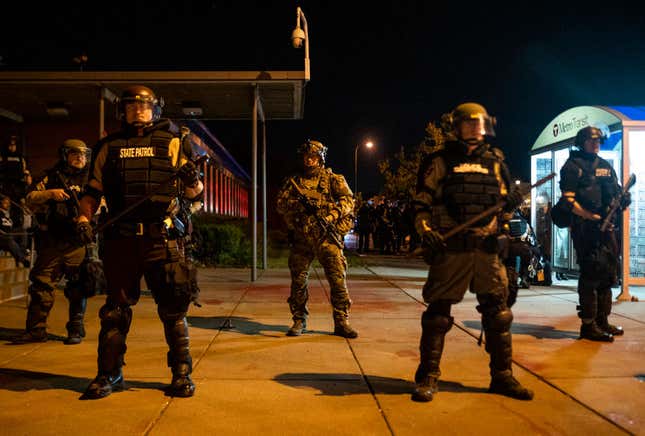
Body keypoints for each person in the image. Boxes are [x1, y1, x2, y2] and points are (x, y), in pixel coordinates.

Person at [75, 85, 203, 399]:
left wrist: (191, 179)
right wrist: (83, 219)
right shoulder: (108, 146)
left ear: (155, 109)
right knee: (115, 312)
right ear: (123, 110)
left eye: (143, 106)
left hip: (162, 238)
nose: (138, 111)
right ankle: (109, 374)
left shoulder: (174, 143)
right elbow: (92, 193)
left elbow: (195, 194)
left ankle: (181, 373)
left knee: (174, 310)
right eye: (131, 106)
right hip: (122, 240)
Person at [411, 102, 533, 402]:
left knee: (499, 315)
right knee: (437, 316)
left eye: (481, 124)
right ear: (458, 126)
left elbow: (503, 208)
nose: (477, 129)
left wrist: (506, 231)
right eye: (470, 123)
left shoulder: (495, 162)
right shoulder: (440, 161)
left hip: (486, 251)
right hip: (451, 250)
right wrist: (427, 233)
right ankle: (427, 375)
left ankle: (502, 376)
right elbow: (421, 206)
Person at [12, 140, 92, 344]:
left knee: (79, 286)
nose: (80, 158)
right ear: (65, 155)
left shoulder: (92, 179)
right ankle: (36, 330)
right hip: (52, 241)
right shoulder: (52, 176)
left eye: (83, 154)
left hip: (79, 242)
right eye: (75, 154)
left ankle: (75, 329)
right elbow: (30, 196)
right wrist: (50, 194)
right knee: (41, 285)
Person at [276, 139, 358, 338]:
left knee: (338, 280)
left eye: (313, 157)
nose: (309, 160)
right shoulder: (293, 182)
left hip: (326, 238)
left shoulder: (333, 179)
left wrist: (331, 215)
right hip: (302, 239)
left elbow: (348, 201)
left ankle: (341, 321)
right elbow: (280, 204)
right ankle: (298, 320)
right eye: (306, 157)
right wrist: (296, 205)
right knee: (298, 282)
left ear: (320, 158)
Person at [558, 126, 630, 342]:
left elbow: (617, 191)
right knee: (591, 273)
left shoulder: (606, 166)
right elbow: (568, 201)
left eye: (598, 140)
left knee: (608, 274)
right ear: (582, 142)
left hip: (608, 228)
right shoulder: (573, 166)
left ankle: (602, 320)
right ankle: (588, 325)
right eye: (591, 140)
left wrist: (624, 201)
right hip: (586, 228)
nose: (595, 144)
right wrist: (588, 216)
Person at [0, 194, 30, 268]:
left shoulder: (9, 214)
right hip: (2, 236)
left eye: (8, 203)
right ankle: (22, 259)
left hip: (9, 234)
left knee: (22, 230)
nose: (7, 205)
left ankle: (22, 251)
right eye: (5, 203)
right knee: (9, 239)